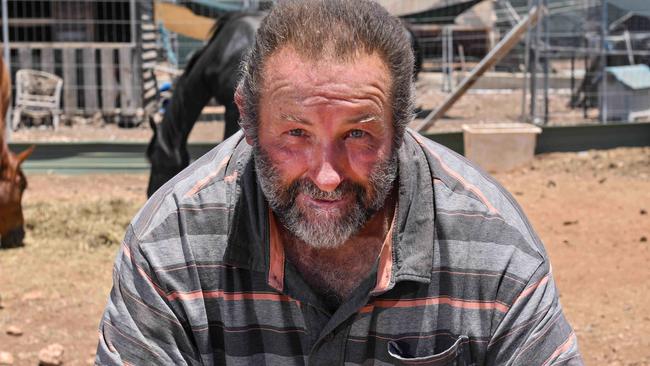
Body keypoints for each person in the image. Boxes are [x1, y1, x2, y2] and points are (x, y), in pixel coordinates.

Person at [96, 1, 582, 364]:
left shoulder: (499, 252)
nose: (326, 176)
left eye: (358, 134)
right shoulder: (167, 247)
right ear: (246, 120)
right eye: (294, 133)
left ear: (402, 125)